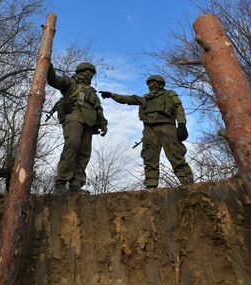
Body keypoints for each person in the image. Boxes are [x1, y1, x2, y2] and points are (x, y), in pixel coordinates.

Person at [99, 75, 194, 188]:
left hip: (167, 127)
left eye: (152, 83)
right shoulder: (146, 98)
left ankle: (189, 185)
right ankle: (151, 186)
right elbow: (130, 99)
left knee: (176, 156)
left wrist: (182, 124)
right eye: (148, 84)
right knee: (149, 158)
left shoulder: (170, 94)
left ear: (160, 83)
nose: (150, 85)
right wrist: (112, 95)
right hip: (149, 129)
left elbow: (178, 108)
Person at [47, 61, 108, 194]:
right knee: (72, 144)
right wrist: (48, 66)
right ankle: (61, 182)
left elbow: (98, 108)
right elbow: (53, 81)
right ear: (80, 71)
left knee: (84, 152)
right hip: (73, 116)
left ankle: (76, 184)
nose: (90, 75)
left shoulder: (92, 91)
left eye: (92, 73)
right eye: (88, 72)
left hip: (89, 121)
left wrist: (103, 123)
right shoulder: (69, 82)